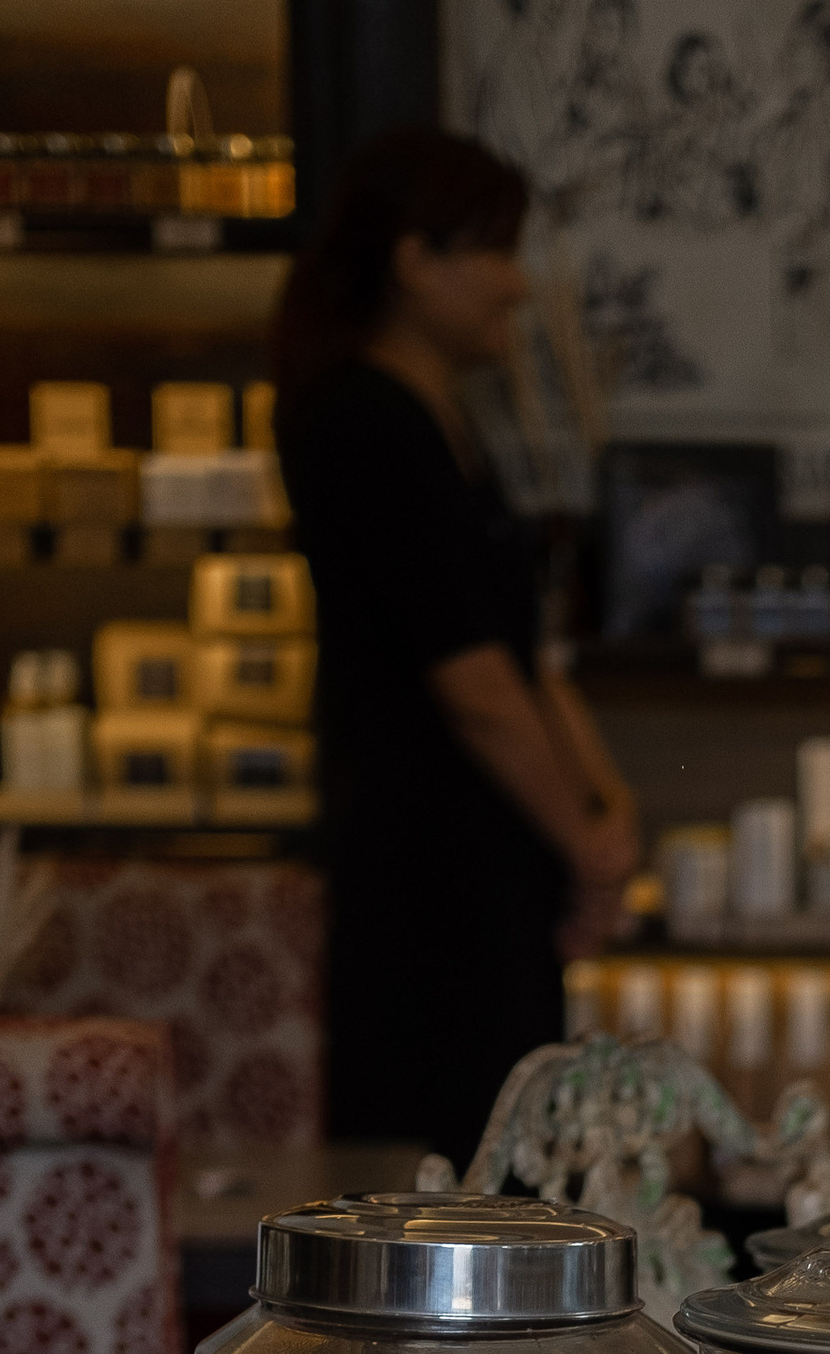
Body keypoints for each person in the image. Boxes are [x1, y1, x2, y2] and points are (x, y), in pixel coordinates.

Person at [274, 129, 642, 1163]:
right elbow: (474, 684)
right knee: (446, 1183)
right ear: (414, 260)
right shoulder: (362, 422)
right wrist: (584, 841)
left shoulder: (442, 421)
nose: (517, 288)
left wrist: (603, 817)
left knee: (506, 1162)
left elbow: (524, 658)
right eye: (494, 253)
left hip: (486, 868)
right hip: (428, 881)